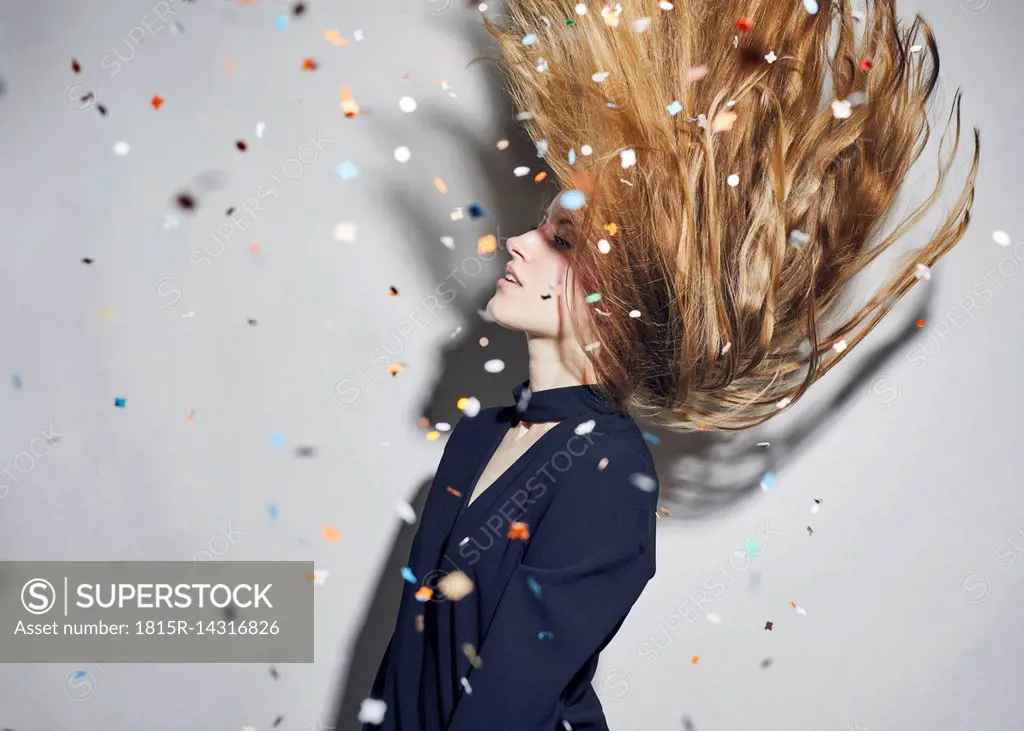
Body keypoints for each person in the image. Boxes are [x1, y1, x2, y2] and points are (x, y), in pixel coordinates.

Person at [364, 0, 979, 728]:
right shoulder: (475, 438)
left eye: (561, 241)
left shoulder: (606, 474)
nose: (518, 246)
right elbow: (405, 658)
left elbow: (513, 694)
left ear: (617, 290)